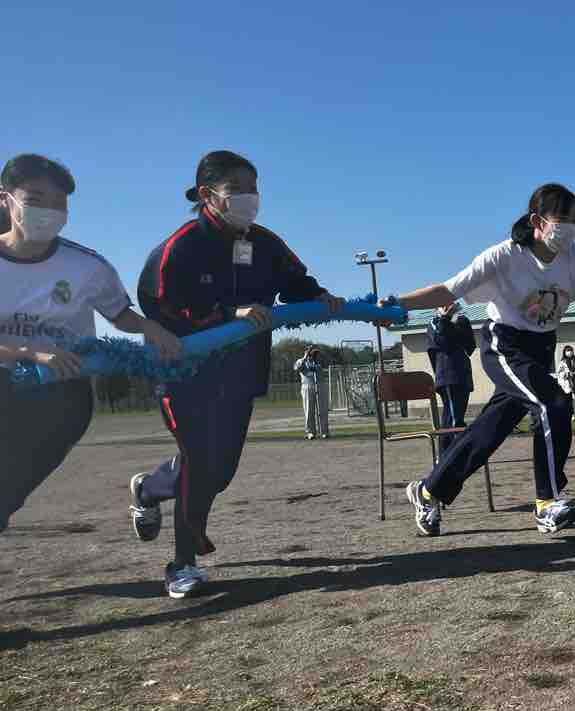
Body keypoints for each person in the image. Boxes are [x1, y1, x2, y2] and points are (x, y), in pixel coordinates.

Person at [387, 183, 575, 535]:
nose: (571, 227)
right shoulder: (504, 256)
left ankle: (428, 490)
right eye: (563, 219)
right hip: (504, 344)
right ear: (537, 221)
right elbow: (449, 290)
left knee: (488, 432)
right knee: (553, 403)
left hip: (541, 349)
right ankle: (547, 503)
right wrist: (397, 304)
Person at [126, 150, 344, 598]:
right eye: (236, 189)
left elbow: (296, 280)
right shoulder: (182, 246)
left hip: (241, 372)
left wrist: (321, 296)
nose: (249, 197)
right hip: (183, 372)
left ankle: (149, 488)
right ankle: (182, 564)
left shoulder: (265, 243)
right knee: (200, 462)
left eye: (254, 188)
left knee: (218, 471)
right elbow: (158, 302)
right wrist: (226, 314)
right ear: (208, 195)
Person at [0, 153, 181, 533]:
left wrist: (150, 328)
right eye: (35, 198)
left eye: (59, 203)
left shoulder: (87, 266)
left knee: (10, 486)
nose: (48, 210)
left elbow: (119, 315)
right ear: (5, 199)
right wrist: (30, 353)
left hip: (62, 395)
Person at [424, 302, 476, 452]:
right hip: (448, 376)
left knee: (455, 418)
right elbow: (443, 341)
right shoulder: (435, 322)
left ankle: (447, 454)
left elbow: (470, 346)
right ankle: (450, 454)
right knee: (453, 421)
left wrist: (459, 323)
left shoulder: (461, 321)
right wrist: (445, 318)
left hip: (463, 376)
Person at [294, 346, 329, 439]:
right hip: (307, 386)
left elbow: (326, 365)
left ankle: (324, 431)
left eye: (315, 353)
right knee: (309, 410)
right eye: (311, 352)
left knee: (322, 410)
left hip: (320, 385)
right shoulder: (301, 361)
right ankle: (310, 432)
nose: (313, 354)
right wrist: (305, 357)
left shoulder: (319, 361)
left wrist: (319, 357)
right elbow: (297, 368)